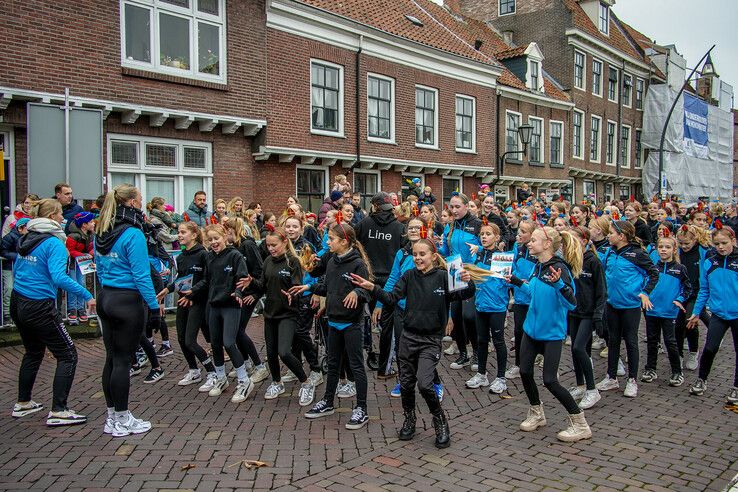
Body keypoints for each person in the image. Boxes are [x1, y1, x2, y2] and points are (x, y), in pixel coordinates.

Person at [352, 235, 476, 448]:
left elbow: (464, 294)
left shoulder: (443, 277)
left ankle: (440, 421)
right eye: (415, 254)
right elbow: (391, 299)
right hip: (409, 337)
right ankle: (410, 419)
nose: (418, 258)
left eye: (422, 254)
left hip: (430, 340)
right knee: (407, 384)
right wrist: (372, 287)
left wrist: (468, 281)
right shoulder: (409, 276)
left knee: (425, 383)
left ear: (433, 256)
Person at [10, 199, 94, 426]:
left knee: (33, 351)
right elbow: (59, 277)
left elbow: (17, 268)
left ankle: (23, 402)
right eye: (60, 214)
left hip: (18, 300)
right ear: (53, 216)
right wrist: (87, 295)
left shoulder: (27, 237)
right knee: (68, 354)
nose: (63, 218)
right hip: (39, 305)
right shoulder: (54, 243)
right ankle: (59, 410)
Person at [507, 225, 592, 442]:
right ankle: (537, 412)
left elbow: (571, 304)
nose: (529, 243)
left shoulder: (559, 270)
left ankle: (580, 422)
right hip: (531, 331)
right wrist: (516, 282)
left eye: (533, 240)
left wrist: (559, 286)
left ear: (546, 244)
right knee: (525, 372)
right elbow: (533, 292)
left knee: (550, 380)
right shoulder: (538, 266)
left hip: (551, 334)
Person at [95, 184, 160, 437]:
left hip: (107, 296)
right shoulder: (133, 233)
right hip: (127, 301)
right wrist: (154, 307)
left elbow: (99, 267)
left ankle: (112, 416)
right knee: (123, 360)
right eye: (140, 200)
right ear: (132, 203)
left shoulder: (101, 230)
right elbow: (141, 275)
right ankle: (123, 419)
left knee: (112, 358)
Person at [300, 222, 372, 430]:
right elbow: (327, 286)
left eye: (331, 239)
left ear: (344, 241)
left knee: (357, 366)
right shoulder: (332, 260)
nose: (327, 242)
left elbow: (367, 291)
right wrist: (309, 286)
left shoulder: (357, 264)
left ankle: (361, 408)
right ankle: (328, 402)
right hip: (333, 321)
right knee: (333, 364)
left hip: (351, 324)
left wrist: (356, 293)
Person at [240, 227, 315, 405]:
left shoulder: (293, 262)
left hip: (288, 313)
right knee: (271, 353)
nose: (271, 248)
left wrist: (292, 294)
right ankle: (276, 382)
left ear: (283, 242)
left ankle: (306, 383)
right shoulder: (267, 261)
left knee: (284, 352)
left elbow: (297, 286)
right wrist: (251, 282)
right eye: (268, 245)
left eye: (274, 245)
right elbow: (262, 286)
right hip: (270, 313)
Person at [376, 217, 443, 400]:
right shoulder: (402, 253)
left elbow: (447, 289)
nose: (413, 230)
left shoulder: (432, 253)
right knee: (402, 348)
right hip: (401, 308)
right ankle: (404, 379)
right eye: (410, 228)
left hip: (423, 310)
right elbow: (392, 278)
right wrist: (380, 304)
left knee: (424, 353)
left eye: (417, 227)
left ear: (424, 230)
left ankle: (435, 382)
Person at [596, 220, 659, 399]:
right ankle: (611, 376)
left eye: (611, 233)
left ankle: (632, 380)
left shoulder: (637, 253)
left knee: (631, 341)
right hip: (611, 304)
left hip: (630, 305)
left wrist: (645, 293)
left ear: (622, 236)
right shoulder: (609, 252)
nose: (608, 236)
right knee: (613, 340)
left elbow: (653, 273)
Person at [198, 224, 255, 403]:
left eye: (217, 238)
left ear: (224, 236)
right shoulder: (209, 257)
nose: (214, 242)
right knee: (215, 344)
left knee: (229, 342)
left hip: (231, 305)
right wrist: (190, 292)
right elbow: (206, 280)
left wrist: (238, 293)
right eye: (210, 239)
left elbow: (242, 277)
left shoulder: (235, 255)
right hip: (214, 305)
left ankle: (244, 381)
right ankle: (221, 378)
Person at [156, 221, 216, 387]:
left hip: (198, 301)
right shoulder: (181, 257)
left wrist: (193, 293)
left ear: (194, 235)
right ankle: (193, 371)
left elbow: (207, 279)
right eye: (179, 232)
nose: (179, 235)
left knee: (191, 340)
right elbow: (181, 279)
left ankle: (212, 372)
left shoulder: (204, 254)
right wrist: (168, 289)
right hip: (183, 300)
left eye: (183, 232)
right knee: (181, 339)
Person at [355, 192, 407, 377]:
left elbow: (353, 243)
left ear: (374, 206)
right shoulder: (400, 228)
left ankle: (372, 357)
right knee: (388, 326)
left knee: (370, 319)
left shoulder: (364, 224)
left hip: (368, 279)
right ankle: (384, 367)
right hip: (391, 280)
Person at [688, 223, 738, 403]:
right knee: (709, 348)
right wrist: (696, 312)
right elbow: (704, 289)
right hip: (718, 314)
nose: (721, 247)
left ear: (733, 240)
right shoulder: (709, 260)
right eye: (717, 244)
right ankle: (702, 379)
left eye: (724, 243)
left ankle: (736, 387)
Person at [465, 222, 511, 395]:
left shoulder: (502, 257)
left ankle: (500, 378)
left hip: (497, 306)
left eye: (488, 234)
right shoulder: (477, 256)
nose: (484, 237)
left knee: (499, 342)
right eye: (482, 234)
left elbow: (504, 283)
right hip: (481, 305)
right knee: (481, 340)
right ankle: (481, 374)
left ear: (497, 237)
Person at [641, 232, 691, 387]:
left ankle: (677, 371)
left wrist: (679, 300)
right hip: (652, 310)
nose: (663, 250)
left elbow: (688, 289)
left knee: (671, 342)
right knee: (652, 340)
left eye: (667, 247)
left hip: (670, 312)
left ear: (674, 250)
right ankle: (650, 368)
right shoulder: (652, 268)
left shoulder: (680, 269)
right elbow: (644, 285)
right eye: (661, 247)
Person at [439, 193, 481, 371]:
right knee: (455, 315)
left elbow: (491, 245)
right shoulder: (450, 226)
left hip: (471, 275)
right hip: (454, 272)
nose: (454, 210)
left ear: (466, 206)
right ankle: (463, 353)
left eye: (458, 207)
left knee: (469, 316)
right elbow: (446, 250)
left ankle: (478, 353)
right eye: (452, 207)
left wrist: (479, 249)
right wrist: (437, 246)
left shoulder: (477, 225)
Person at [567, 226, 606, 410]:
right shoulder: (570, 260)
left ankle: (592, 390)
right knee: (576, 350)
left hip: (588, 313)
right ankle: (580, 384)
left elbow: (601, 291)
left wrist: (598, 315)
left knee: (579, 348)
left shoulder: (594, 262)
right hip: (574, 311)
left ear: (583, 241)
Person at [675, 224, 712, 370]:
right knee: (677, 326)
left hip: (697, 293)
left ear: (695, 239)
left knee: (690, 321)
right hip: (681, 292)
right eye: (681, 243)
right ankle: (678, 353)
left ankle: (693, 352)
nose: (684, 246)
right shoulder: (678, 251)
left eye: (687, 243)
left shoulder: (704, 252)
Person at [505, 220, 538, 379]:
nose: (519, 234)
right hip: (519, 298)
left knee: (534, 332)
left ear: (532, 235)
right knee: (518, 331)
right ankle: (518, 364)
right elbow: (511, 267)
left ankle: (548, 365)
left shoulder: (537, 253)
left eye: (523, 232)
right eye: (519, 231)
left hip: (534, 299)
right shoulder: (516, 249)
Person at [65, 212, 95, 325]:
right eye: (91, 222)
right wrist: (82, 255)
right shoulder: (73, 236)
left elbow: (92, 247)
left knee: (82, 284)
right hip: (73, 264)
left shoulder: (91, 235)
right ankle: (72, 308)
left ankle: (81, 307)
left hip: (83, 264)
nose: (93, 223)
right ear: (84, 224)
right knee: (73, 284)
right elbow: (70, 251)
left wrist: (91, 253)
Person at [1, 217, 29, 322]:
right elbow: (3, 251)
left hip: (23, 269)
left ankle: (20, 315)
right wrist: (18, 256)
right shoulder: (9, 237)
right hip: (9, 267)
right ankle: (7, 315)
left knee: (23, 291)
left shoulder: (29, 238)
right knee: (9, 289)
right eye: (27, 228)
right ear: (20, 228)